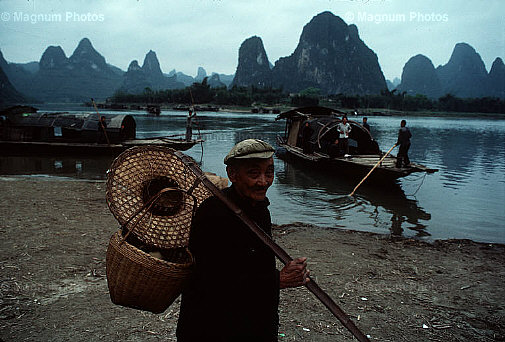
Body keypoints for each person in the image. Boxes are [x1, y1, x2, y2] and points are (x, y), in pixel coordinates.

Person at [177, 139, 310, 342]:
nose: (264, 181)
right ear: (233, 175)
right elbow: (211, 282)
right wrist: (278, 280)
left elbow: (254, 266)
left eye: (270, 172)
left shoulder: (260, 209)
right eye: (254, 173)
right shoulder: (213, 213)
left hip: (254, 323)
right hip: (212, 327)